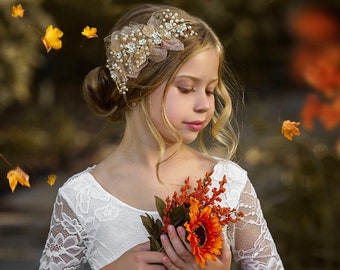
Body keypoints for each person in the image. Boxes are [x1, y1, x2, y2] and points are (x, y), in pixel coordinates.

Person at [39, 4, 284, 270]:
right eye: (186, 88)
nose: (204, 104)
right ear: (138, 87)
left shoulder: (228, 184)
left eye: (211, 90)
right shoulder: (81, 197)